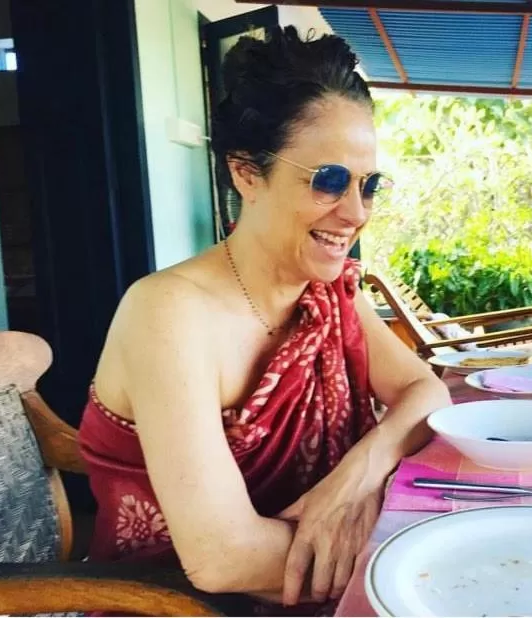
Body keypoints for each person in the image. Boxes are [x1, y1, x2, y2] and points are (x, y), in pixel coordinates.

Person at [77, 25, 451, 613]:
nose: (355, 213)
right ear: (247, 173)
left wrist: (354, 477)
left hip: (310, 585)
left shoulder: (327, 291)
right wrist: (411, 555)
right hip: (175, 603)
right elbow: (225, 558)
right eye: (329, 181)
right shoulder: (169, 314)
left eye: (369, 185)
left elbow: (426, 390)